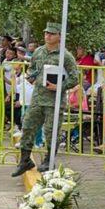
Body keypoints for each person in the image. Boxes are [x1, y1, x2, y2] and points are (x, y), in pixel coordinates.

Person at [12, 23, 80, 177]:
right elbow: (34, 68)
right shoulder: (38, 51)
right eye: (46, 33)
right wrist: (32, 76)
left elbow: (75, 78)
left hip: (54, 100)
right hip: (37, 98)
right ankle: (25, 160)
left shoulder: (65, 56)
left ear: (59, 36)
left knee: (50, 131)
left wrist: (59, 86)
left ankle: (49, 160)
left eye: (51, 33)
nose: (47, 36)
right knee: (28, 125)